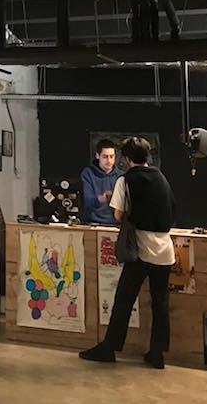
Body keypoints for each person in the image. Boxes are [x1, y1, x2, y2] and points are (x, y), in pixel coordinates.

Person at [80, 136, 177, 369]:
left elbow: (117, 214)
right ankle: (157, 353)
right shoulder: (161, 177)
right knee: (160, 303)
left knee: (124, 300)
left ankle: (109, 348)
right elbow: (172, 209)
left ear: (126, 158)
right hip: (165, 251)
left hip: (141, 250)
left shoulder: (125, 180)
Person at [81, 139, 121, 225]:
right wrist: (102, 198)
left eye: (111, 156)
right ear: (97, 156)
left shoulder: (121, 176)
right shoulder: (88, 173)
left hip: (116, 224)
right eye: (105, 157)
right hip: (93, 223)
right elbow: (86, 200)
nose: (109, 160)